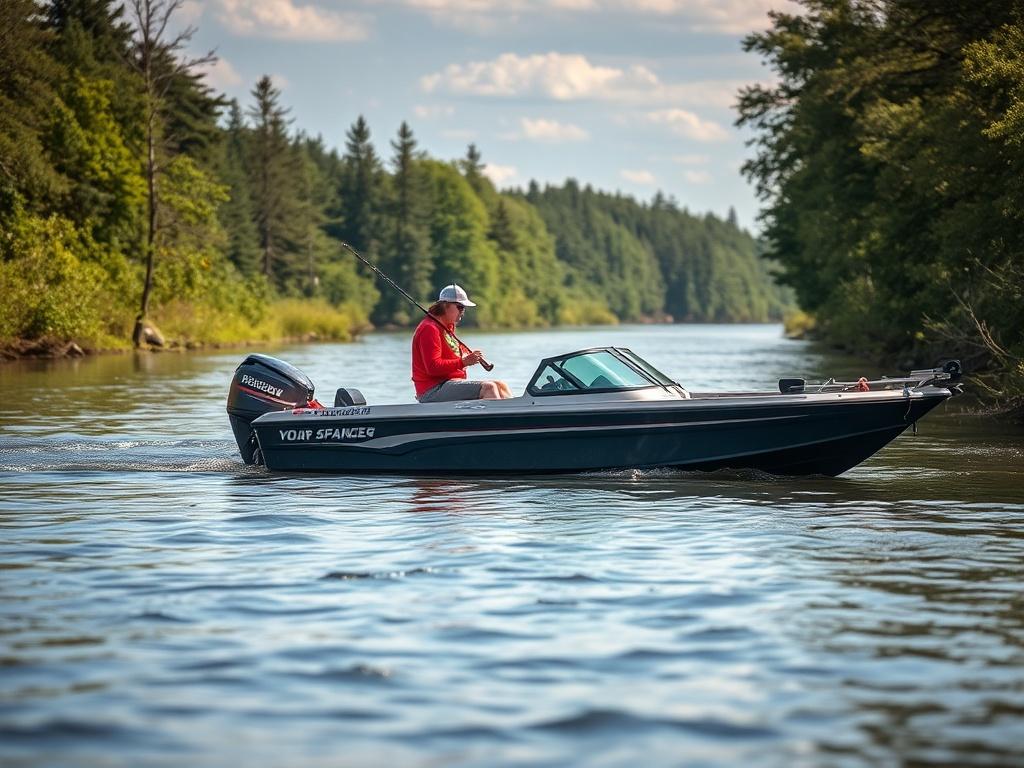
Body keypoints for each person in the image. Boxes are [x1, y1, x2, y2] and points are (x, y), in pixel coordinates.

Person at [412, 284, 512, 403]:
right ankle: (496, 415)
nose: (462, 312)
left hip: (448, 383)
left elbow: (451, 355)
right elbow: (433, 367)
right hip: (431, 390)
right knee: (489, 387)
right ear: (445, 305)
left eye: (464, 308)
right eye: (460, 307)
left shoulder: (447, 327)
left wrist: (467, 357)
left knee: (500, 385)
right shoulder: (429, 329)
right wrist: (463, 362)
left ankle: (517, 412)